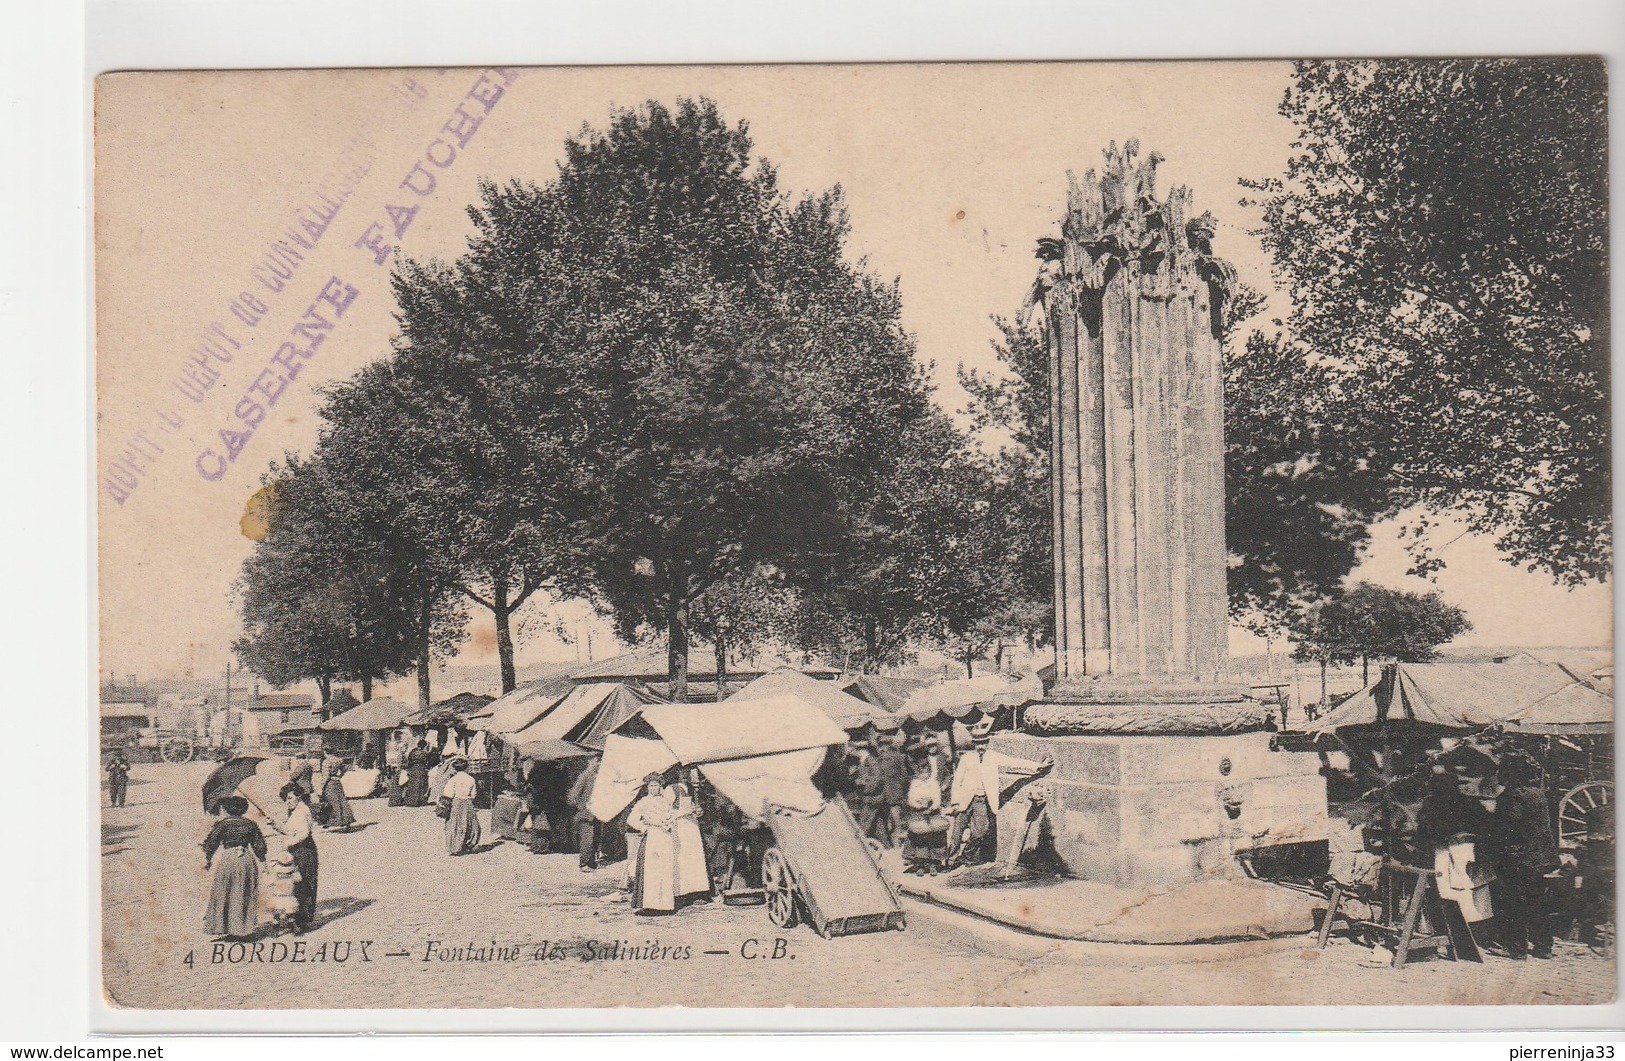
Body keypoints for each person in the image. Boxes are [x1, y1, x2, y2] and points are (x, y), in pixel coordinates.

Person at [947, 712, 1053, 867]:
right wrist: (955, 801)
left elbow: (1013, 762)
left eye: (983, 743)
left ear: (987, 743)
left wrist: (1038, 766)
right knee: (957, 833)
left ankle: (965, 856)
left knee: (980, 833)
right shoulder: (966, 758)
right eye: (978, 743)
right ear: (974, 744)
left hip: (981, 801)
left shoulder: (993, 757)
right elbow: (957, 781)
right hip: (964, 799)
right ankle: (950, 860)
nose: (981, 746)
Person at [1487, 753, 1560, 960]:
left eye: (1501, 770)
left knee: (1513, 903)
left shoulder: (1512, 796)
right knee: (1537, 902)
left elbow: (1510, 827)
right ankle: (1543, 947)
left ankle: (1516, 948)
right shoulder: (1538, 793)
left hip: (1519, 858)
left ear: (1511, 773)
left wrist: (1491, 819)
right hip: (1539, 858)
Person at [202, 795, 266, 940]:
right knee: (244, 892)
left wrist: (208, 859)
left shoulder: (223, 825)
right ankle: (244, 928)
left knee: (226, 892)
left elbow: (210, 844)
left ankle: (228, 928)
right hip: (246, 859)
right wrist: (263, 861)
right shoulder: (251, 824)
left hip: (229, 859)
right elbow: (259, 846)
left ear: (228, 809)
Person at [626, 774, 677, 914]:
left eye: (656, 785)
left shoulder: (666, 801)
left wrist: (668, 823)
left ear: (661, 787)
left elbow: (671, 816)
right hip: (652, 838)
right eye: (651, 786)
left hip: (665, 837)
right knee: (651, 870)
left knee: (664, 869)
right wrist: (645, 827)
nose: (654, 788)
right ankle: (650, 905)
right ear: (647, 788)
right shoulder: (643, 802)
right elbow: (631, 820)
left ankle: (665, 906)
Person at [276, 783, 319, 934]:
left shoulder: (302, 811)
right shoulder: (294, 811)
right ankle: (296, 918)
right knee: (296, 884)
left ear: (298, 797)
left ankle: (303, 920)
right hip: (297, 850)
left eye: (290, 798)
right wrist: (276, 826)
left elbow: (303, 834)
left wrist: (288, 842)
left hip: (304, 850)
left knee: (304, 883)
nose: (287, 802)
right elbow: (290, 830)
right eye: (285, 799)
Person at [670, 779, 712, 905]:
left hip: (693, 826)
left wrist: (698, 811)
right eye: (683, 771)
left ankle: (698, 892)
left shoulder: (691, 788)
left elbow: (694, 806)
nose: (686, 774)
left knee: (696, 860)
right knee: (682, 860)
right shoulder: (671, 789)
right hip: (680, 827)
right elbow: (666, 810)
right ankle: (681, 894)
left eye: (688, 770)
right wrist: (684, 812)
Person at [873, 731, 910, 847]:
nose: (881, 748)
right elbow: (904, 776)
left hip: (887, 795)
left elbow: (903, 777)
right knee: (895, 822)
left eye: (882, 745)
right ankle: (895, 844)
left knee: (891, 822)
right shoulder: (898, 757)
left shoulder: (881, 759)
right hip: (893, 795)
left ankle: (894, 844)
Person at [567, 759, 602, 872]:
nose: (599, 764)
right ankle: (584, 863)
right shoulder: (585, 776)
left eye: (601, 761)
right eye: (596, 761)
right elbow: (572, 797)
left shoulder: (600, 777)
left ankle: (591, 862)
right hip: (585, 814)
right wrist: (582, 806)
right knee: (587, 839)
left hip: (597, 813)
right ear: (590, 762)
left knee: (595, 838)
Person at [443, 758, 483, 856]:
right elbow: (473, 795)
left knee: (455, 824)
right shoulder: (471, 779)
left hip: (456, 802)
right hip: (468, 802)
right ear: (466, 768)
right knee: (469, 824)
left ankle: (456, 846)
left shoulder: (453, 779)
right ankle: (468, 844)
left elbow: (448, 794)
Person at [322, 759, 357, 832]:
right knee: (342, 801)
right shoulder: (339, 760)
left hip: (330, 783)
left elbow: (326, 776)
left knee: (332, 802)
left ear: (325, 752)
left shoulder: (327, 761)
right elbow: (344, 769)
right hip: (337, 782)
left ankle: (332, 821)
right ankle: (347, 821)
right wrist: (340, 776)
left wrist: (322, 786)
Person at [402, 739, 432, 807]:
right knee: (420, 785)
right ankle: (418, 801)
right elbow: (426, 761)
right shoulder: (423, 753)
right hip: (420, 769)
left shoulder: (412, 751)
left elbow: (409, 760)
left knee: (412, 785)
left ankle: (410, 801)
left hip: (412, 769)